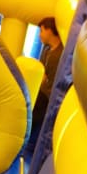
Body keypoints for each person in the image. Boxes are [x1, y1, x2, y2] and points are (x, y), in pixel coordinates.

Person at [28, 16, 63, 152]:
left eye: (42, 31)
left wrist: (43, 80)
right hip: (39, 91)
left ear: (49, 31)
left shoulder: (59, 55)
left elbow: (53, 82)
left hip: (46, 97)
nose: (40, 35)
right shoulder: (46, 49)